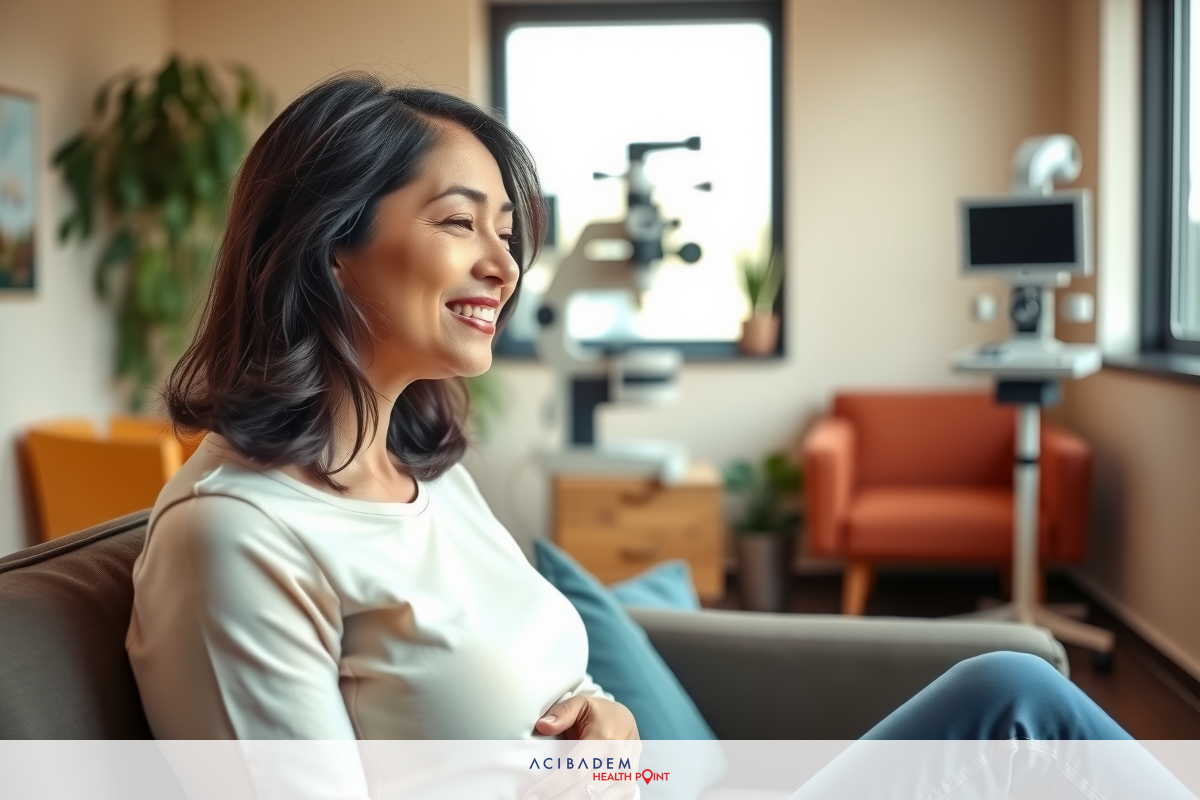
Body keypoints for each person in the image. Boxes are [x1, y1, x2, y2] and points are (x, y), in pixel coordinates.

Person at [125, 74, 1182, 799]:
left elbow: (557, 715)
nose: (503, 263)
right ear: (330, 247)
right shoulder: (237, 539)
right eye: (459, 223)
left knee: (1009, 692)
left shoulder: (422, 475)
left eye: (508, 230)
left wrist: (614, 739)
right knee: (1016, 708)